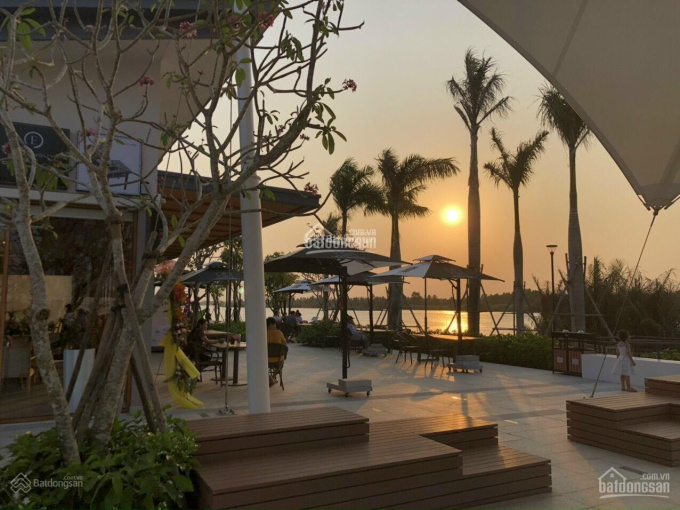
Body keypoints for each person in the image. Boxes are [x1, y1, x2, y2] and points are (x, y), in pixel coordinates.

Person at [267, 317, 288, 387]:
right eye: (274, 324)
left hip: (265, 360)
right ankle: (273, 377)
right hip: (278, 361)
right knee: (281, 358)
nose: (275, 326)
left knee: (258, 363)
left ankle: (270, 378)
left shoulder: (263, 334)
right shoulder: (279, 333)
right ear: (271, 324)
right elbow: (285, 345)